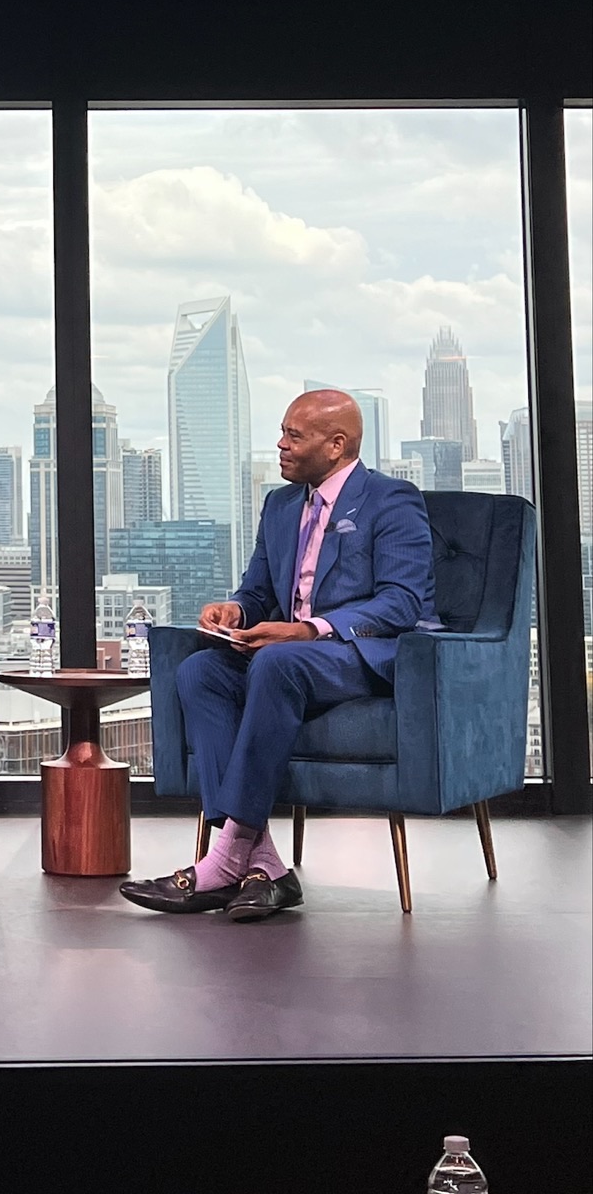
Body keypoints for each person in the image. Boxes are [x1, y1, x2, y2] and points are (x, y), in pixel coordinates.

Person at [121, 388, 433, 923]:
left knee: (276, 662)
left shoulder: (391, 499)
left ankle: (219, 865)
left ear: (336, 445)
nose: (280, 445)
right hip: (288, 656)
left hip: (355, 652)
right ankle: (263, 867)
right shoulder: (281, 504)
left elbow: (403, 601)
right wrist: (236, 612)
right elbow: (257, 590)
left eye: (294, 435)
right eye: (282, 432)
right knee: (200, 670)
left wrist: (310, 630)